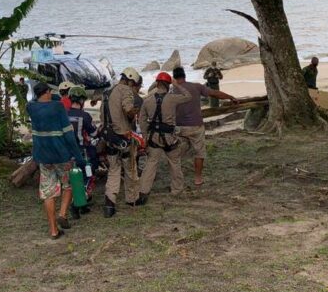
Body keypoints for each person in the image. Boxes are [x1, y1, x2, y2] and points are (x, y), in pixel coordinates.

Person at [27, 82, 86, 239]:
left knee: (48, 193)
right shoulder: (58, 107)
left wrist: (45, 95)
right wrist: (79, 157)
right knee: (68, 185)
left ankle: (53, 230)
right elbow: (68, 135)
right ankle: (63, 213)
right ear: (47, 92)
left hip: (43, 157)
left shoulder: (31, 108)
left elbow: (33, 101)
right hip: (61, 156)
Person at [173, 67, 238, 186]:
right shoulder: (196, 86)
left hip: (179, 127)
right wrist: (230, 96)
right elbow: (214, 93)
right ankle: (198, 178)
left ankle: (177, 179)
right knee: (199, 153)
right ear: (184, 76)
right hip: (196, 126)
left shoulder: (172, 91)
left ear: (174, 78)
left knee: (176, 153)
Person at [138, 72, 192, 201]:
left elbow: (141, 120)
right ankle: (177, 189)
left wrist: (145, 136)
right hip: (169, 137)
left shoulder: (147, 100)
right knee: (174, 162)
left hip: (153, 137)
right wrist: (177, 84)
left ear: (157, 83)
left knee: (151, 164)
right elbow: (188, 96)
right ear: (168, 85)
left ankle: (143, 191)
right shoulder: (172, 98)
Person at [100, 67, 142, 218]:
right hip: (124, 136)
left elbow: (102, 117)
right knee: (131, 170)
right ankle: (132, 199)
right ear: (130, 80)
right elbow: (128, 109)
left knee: (113, 170)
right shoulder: (125, 90)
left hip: (110, 138)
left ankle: (109, 204)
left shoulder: (107, 92)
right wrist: (135, 111)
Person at [67, 86, 98, 216]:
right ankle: (76, 204)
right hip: (82, 151)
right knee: (88, 177)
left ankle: (82, 204)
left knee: (72, 179)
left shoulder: (64, 114)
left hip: (67, 153)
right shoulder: (84, 116)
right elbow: (94, 133)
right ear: (81, 100)